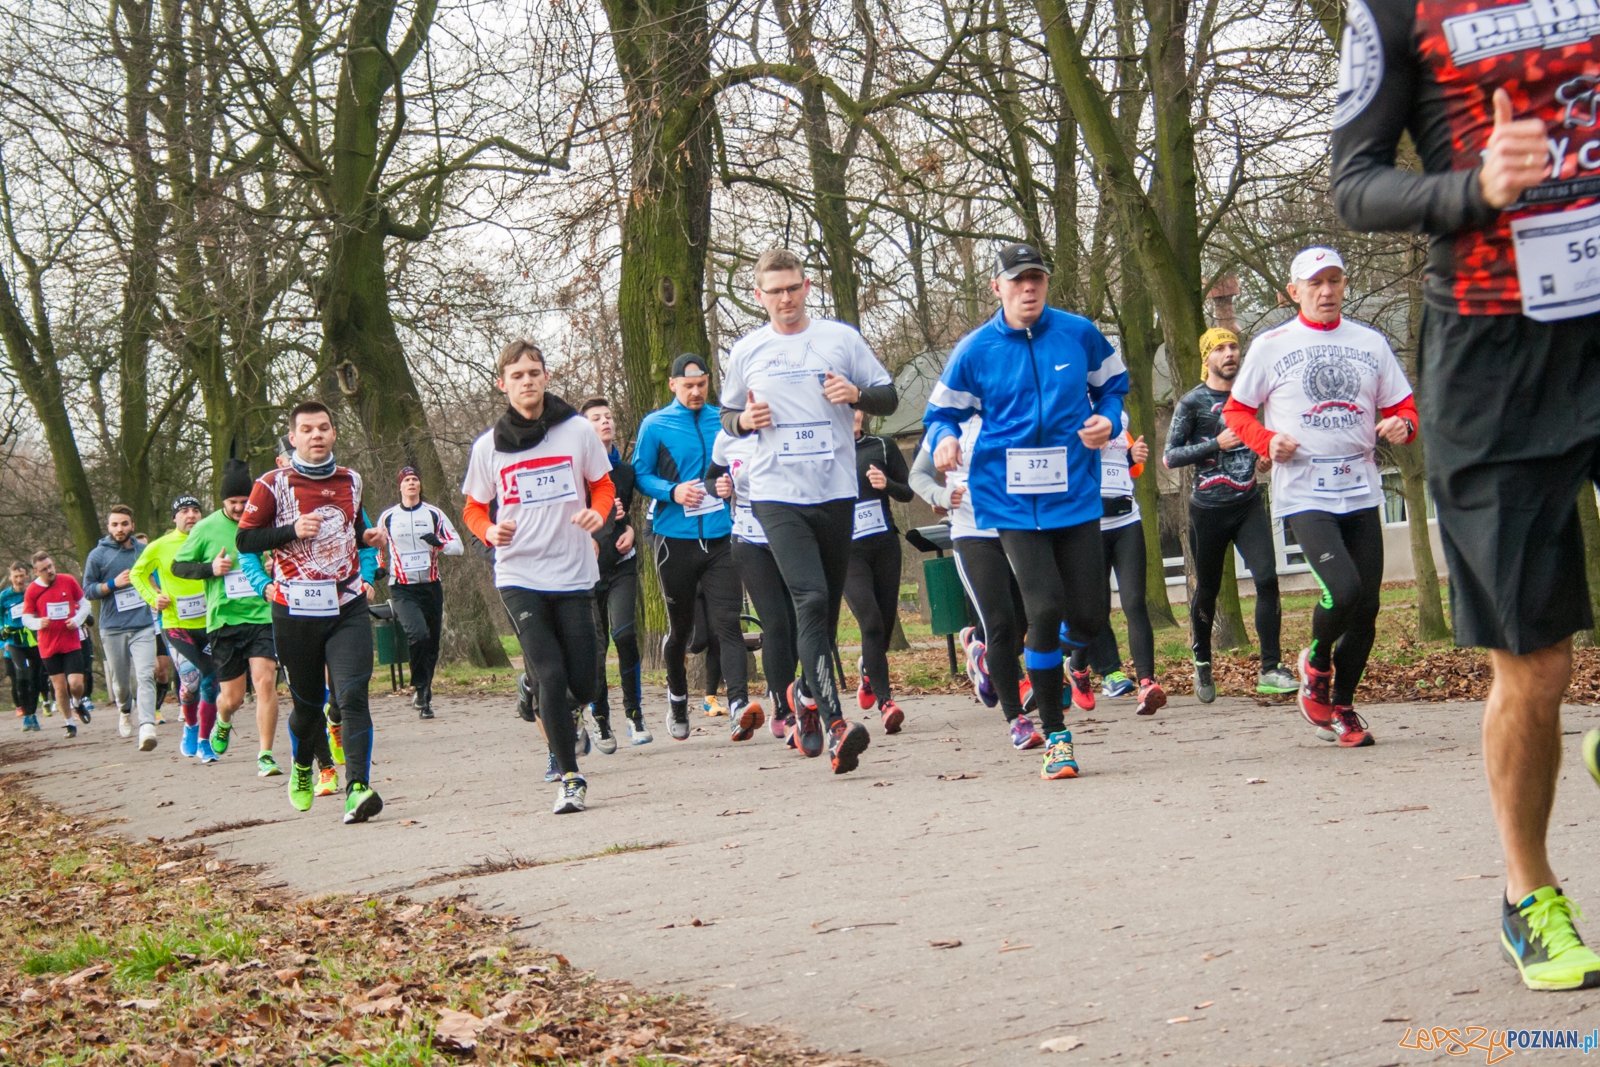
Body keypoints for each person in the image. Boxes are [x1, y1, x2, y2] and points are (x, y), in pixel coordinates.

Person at [1333, 16, 1600, 987]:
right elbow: (1355, 182)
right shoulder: (1396, 10)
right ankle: (1529, 894)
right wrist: (1474, 187)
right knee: (1532, 662)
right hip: (1496, 346)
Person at [926, 241, 1128, 781]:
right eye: (1017, 280)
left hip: (1074, 493)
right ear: (998, 287)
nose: (1028, 287)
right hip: (1009, 500)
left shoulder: (1079, 333)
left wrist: (1109, 419)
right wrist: (945, 439)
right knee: (1042, 608)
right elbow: (940, 412)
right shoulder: (975, 350)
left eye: (1036, 277)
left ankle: (1047, 663)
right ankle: (1056, 737)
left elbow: (1113, 387)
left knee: (1088, 616)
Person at [1221, 247, 1416, 752]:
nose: (1326, 291)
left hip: (1361, 486)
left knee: (1368, 607)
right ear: (1295, 292)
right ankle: (1317, 659)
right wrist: (1266, 442)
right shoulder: (1271, 345)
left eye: (1334, 281)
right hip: (1305, 490)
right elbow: (1237, 413)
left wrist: (1403, 424)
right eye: (1315, 284)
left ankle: (1342, 706)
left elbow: (1404, 406)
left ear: (1344, 285)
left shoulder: (1370, 343)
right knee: (1344, 589)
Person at [718, 250, 898, 773]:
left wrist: (857, 393)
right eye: (774, 291)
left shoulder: (840, 339)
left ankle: (804, 694)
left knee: (824, 605)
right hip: (777, 495)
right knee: (812, 597)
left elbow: (887, 396)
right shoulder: (748, 349)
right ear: (759, 296)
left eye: (793, 288)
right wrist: (744, 421)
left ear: (808, 286)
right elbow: (726, 416)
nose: (786, 299)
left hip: (836, 491)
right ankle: (839, 724)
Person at [462, 340, 614, 815]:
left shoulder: (576, 432)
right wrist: (490, 530)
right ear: (502, 384)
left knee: (584, 685)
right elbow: (472, 507)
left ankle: (532, 691)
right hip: (519, 571)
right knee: (551, 673)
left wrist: (598, 514)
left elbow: (603, 484)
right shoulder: (488, 446)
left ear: (546, 378)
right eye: (517, 375)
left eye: (534, 372)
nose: (527, 381)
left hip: (572, 571)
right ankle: (570, 777)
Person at [237, 402, 387, 823]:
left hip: (346, 605)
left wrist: (368, 535)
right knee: (306, 707)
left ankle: (357, 786)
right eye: (307, 429)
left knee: (353, 694)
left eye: (323, 427)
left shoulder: (351, 480)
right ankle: (303, 764)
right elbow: (246, 540)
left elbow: (351, 527)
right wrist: (289, 531)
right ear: (293, 438)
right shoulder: (271, 484)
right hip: (296, 611)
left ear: (334, 433)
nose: (316, 435)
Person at [633, 352, 763, 742]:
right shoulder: (655, 425)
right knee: (682, 632)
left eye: (701, 385)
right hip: (675, 542)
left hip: (724, 537)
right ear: (672, 385)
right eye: (687, 385)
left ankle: (738, 706)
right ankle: (676, 697)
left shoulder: (723, 421)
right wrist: (673, 491)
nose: (695, 391)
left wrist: (727, 487)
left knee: (729, 625)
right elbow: (641, 475)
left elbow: (742, 464)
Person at [1164, 328, 1297, 701]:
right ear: (1206, 358)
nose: (1229, 354)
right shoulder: (1193, 403)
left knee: (1267, 579)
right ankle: (1203, 662)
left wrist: (1263, 458)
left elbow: (1259, 444)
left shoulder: (1251, 398)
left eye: (1233, 346)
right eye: (1220, 349)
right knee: (1208, 589)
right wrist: (1214, 443)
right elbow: (1169, 456)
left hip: (1248, 502)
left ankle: (1271, 667)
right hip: (1207, 510)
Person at [910, 414, 1040, 749]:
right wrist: (940, 496)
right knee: (1000, 624)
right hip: (972, 532)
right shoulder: (945, 424)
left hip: (1018, 527)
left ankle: (980, 656)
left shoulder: (1012, 410)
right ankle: (1017, 720)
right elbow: (918, 475)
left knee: (1024, 620)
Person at [170, 460, 293, 782]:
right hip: (224, 622)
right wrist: (210, 569)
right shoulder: (206, 528)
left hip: (262, 615)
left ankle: (265, 754)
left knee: (265, 681)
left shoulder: (264, 520)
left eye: (244, 501)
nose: (239, 508)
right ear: (222, 502)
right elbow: (178, 567)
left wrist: (273, 566)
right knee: (232, 699)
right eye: (232, 503)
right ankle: (223, 720)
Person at [711, 426, 801, 739]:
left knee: (795, 621)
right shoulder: (727, 438)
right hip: (749, 538)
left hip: (789, 534)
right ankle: (784, 708)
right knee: (775, 623)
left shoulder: (788, 428)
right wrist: (720, 486)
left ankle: (788, 692)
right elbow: (712, 477)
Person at [1086, 415, 1166, 716]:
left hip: (1125, 519)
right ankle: (1107, 672)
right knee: (1095, 606)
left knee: (1135, 601)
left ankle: (1147, 682)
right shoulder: (1070, 403)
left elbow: (1132, 465)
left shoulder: (1118, 415)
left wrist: (1133, 457)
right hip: (1088, 523)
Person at [131, 496, 219, 762]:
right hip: (176, 623)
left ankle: (204, 740)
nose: (190, 515)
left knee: (210, 679)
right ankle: (191, 726)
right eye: (184, 511)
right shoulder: (159, 546)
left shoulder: (211, 540)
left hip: (211, 622)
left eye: (195, 510)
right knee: (191, 682)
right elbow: (137, 573)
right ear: (175, 518)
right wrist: (152, 597)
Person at [581, 397, 647, 748]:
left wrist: (632, 531)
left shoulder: (625, 472)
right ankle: (601, 719)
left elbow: (624, 515)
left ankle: (635, 716)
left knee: (624, 636)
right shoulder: (575, 469)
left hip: (622, 565)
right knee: (595, 646)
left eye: (608, 416)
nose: (605, 421)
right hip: (586, 569)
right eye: (595, 418)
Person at [376, 465, 463, 720]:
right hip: (402, 587)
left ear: (420, 486)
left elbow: (458, 547)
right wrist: (380, 568)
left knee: (432, 643)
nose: (412, 483)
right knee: (418, 634)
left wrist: (440, 544)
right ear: (400, 486)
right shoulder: (389, 516)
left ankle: (423, 692)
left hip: (430, 585)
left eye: (415, 479)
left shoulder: (434, 514)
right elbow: (379, 546)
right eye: (407, 480)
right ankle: (421, 688)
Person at [846, 409, 912, 732]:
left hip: (885, 546)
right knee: (870, 622)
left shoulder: (883, 446)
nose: (852, 414)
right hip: (848, 554)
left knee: (883, 627)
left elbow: (908, 491)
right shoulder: (828, 451)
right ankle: (886, 702)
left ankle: (869, 672)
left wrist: (886, 484)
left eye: (855, 407)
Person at [82, 505, 159, 750]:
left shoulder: (144, 551)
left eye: (124, 524)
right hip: (112, 627)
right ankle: (125, 709)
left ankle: (147, 726)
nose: (120, 529)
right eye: (115, 524)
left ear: (132, 526)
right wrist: (112, 584)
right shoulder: (98, 555)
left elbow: (155, 579)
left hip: (143, 625)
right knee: (121, 682)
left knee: (146, 675)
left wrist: (157, 592)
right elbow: (88, 590)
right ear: (108, 527)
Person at [20, 550, 90, 738]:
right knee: (59, 687)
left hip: (70, 642)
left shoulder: (67, 580)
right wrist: (38, 623)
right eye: (44, 569)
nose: (49, 571)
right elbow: (26, 618)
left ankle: (77, 702)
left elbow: (85, 604)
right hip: (48, 646)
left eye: (50, 566)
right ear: (36, 572)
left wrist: (76, 620)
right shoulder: (32, 590)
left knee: (75, 684)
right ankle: (69, 724)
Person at [3, 561, 41, 731]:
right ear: (10, 577)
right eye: (15, 576)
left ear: (27, 576)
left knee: (35, 678)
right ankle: (26, 715)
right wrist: (2, 633)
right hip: (14, 642)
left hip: (34, 640)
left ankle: (33, 714)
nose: (19, 579)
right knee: (22, 676)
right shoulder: (4, 596)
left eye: (22, 576)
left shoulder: (33, 592)